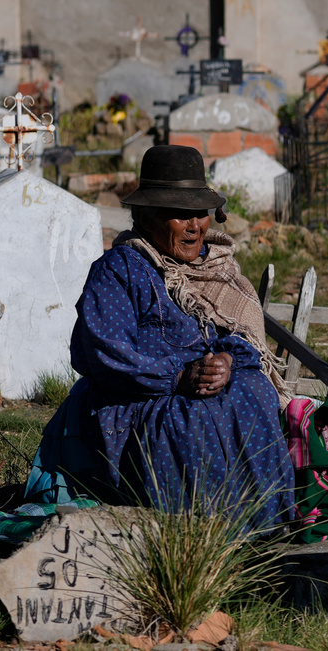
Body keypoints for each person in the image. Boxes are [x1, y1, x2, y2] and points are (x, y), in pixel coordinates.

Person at [25, 145, 295, 528]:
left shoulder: (213, 272)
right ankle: (195, 535)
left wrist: (228, 362)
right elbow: (103, 351)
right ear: (147, 217)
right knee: (190, 419)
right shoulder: (119, 270)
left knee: (253, 390)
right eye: (179, 215)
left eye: (199, 214)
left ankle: (268, 524)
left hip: (201, 387)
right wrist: (179, 377)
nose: (194, 226)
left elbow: (239, 336)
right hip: (136, 397)